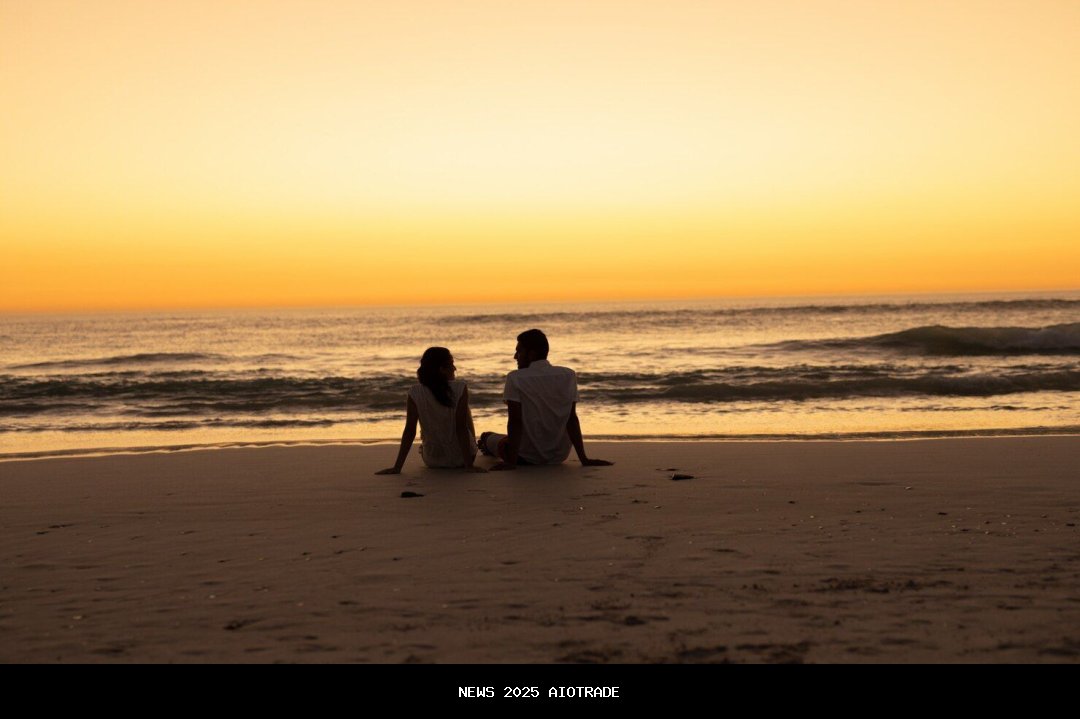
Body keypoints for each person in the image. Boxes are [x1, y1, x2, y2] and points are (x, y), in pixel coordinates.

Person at [479, 329, 613, 471]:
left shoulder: (515, 378)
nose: (515, 357)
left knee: (487, 437)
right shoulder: (568, 375)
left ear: (532, 354)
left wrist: (511, 462)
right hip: (558, 456)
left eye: (519, 352)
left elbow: (515, 421)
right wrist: (583, 459)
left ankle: (484, 442)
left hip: (525, 456)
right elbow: (571, 419)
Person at [376, 347, 485, 474]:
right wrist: (469, 466)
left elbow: (410, 431)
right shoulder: (460, 388)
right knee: (465, 410)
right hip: (462, 458)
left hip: (433, 460)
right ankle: (473, 449)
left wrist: (397, 467)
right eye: (452, 364)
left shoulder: (415, 392)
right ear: (442, 370)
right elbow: (460, 428)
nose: (455, 369)